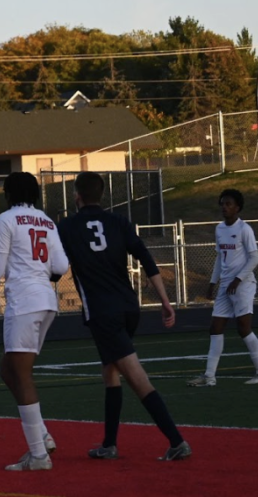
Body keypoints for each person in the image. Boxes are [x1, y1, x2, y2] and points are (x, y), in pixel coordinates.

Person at [57, 172, 191, 462]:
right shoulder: (118, 222)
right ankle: (109, 444)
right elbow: (146, 258)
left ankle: (177, 440)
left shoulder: (67, 226)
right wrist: (165, 300)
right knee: (111, 373)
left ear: (77, 196)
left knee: (136, 377)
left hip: (103, 311)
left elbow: (55, 265)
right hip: (129, 307)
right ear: (101, 195)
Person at [0, 172, 69, 472]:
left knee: (22, 374)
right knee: (8, 369)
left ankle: (39, 455)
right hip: (46, 302)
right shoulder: (46, 220)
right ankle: (40, 434)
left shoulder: (6, 219)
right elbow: (61, 266)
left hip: (25, 303)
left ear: (8, 193)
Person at [188, 189, 258, 387]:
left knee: (243, 328)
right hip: (225, 286)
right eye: (222, 204)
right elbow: (220, 258)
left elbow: (255, 258)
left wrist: (238, 279)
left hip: (242, 285)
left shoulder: (245, 229)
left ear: (238, 207)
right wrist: (212, 283)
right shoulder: (219, 229)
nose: (224, 207)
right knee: (215, 327)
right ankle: (209, 377)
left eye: (228, 204)